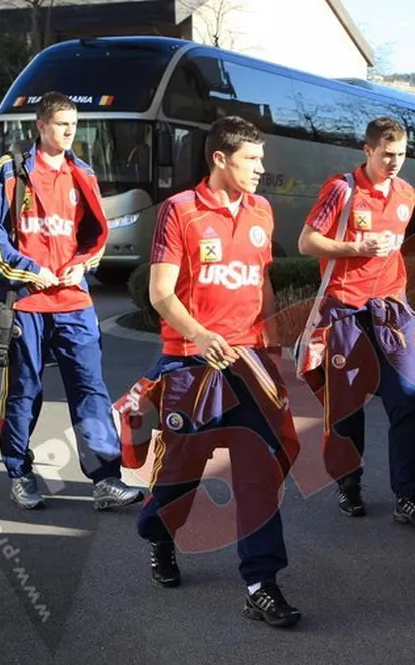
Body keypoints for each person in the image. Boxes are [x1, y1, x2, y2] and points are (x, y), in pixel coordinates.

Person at [115, 115, 302, 628]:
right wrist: (199, 335)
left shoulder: (262, 210)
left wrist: (273, 346)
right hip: (190, 363)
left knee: (261, 470)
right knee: (181, 473)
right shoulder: (181, 211)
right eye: (251, 159)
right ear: (220, 158)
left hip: (249, 362)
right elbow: (160, 293)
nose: (261, 169)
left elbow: (261, 284)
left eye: (261, 159)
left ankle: (261, 584)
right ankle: (160, 533)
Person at [0, 91, 143, 511]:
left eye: (74, 124)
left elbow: (95, 235)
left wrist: (82, 264)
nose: (70, 132)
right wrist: (29, 270)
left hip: (74, 303)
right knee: (23, 391)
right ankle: (20, 473)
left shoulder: (81, 172)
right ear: (41, 125)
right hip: (25, 304)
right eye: (62, 124)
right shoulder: (11, 170)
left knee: (90, 389)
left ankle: (105, 479)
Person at [296, 116, 415, 525]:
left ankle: (409, 497)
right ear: (368, 151)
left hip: (390, 310)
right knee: (345, 407)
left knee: (410, 399)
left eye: (401, 154)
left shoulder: (407, 192)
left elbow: (405, 246)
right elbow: (306, 242)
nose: (394, 162)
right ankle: (349, 484)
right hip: (345, 311)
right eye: (386, 154)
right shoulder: (341, 189)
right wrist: (356, 246)